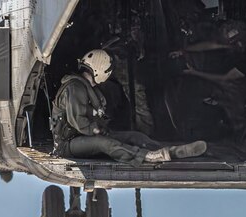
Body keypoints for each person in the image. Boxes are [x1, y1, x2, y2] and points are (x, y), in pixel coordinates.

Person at [52, 50, 208, 167]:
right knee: (105, 144)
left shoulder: (87, 88)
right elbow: (78, 122)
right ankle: (148, 156)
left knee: (135, 137)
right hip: (67, 144)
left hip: (83, 136)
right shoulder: (75, 87)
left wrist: (101, 126)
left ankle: (168, 151)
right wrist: (98, 130)